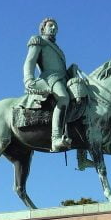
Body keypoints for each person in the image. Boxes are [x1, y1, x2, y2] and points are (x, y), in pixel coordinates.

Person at [23, 17, 79, 152]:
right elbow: (29, 61)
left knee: (82, 101)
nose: (54, 28)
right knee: (63, 98)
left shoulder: (58, 48)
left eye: (55, 27)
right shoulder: (38, 40)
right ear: (43, 28)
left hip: (63, 78)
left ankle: (81, 156)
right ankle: (55, 138)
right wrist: (29, 79)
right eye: (50, 25)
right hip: (50, 78)